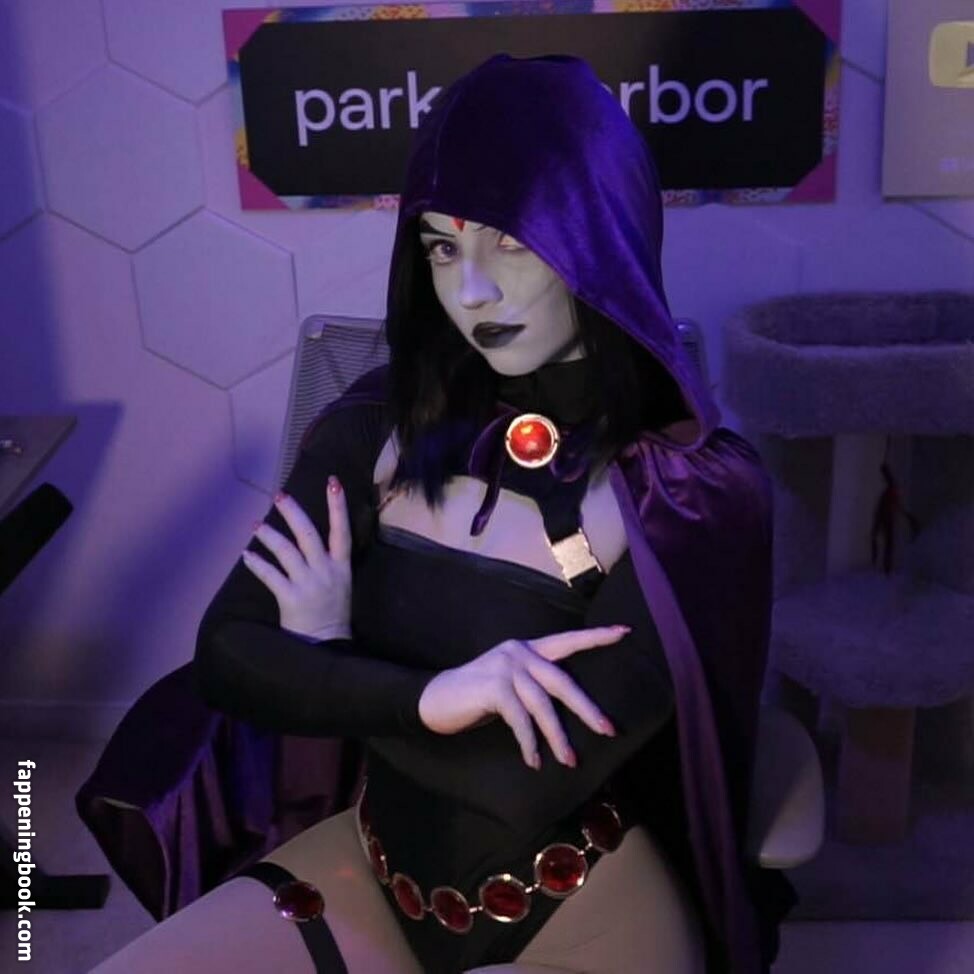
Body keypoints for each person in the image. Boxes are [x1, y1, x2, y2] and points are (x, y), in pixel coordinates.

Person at [89, 53, 794, 974]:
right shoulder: (372, 423)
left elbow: (513, 786)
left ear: (601, 240)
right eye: (442, 247)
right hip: (371, 875)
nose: (470, 291)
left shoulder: (689, 493)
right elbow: (226, 656)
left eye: (512, 243)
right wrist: (427, 698)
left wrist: (328, 660)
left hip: (581, 918)